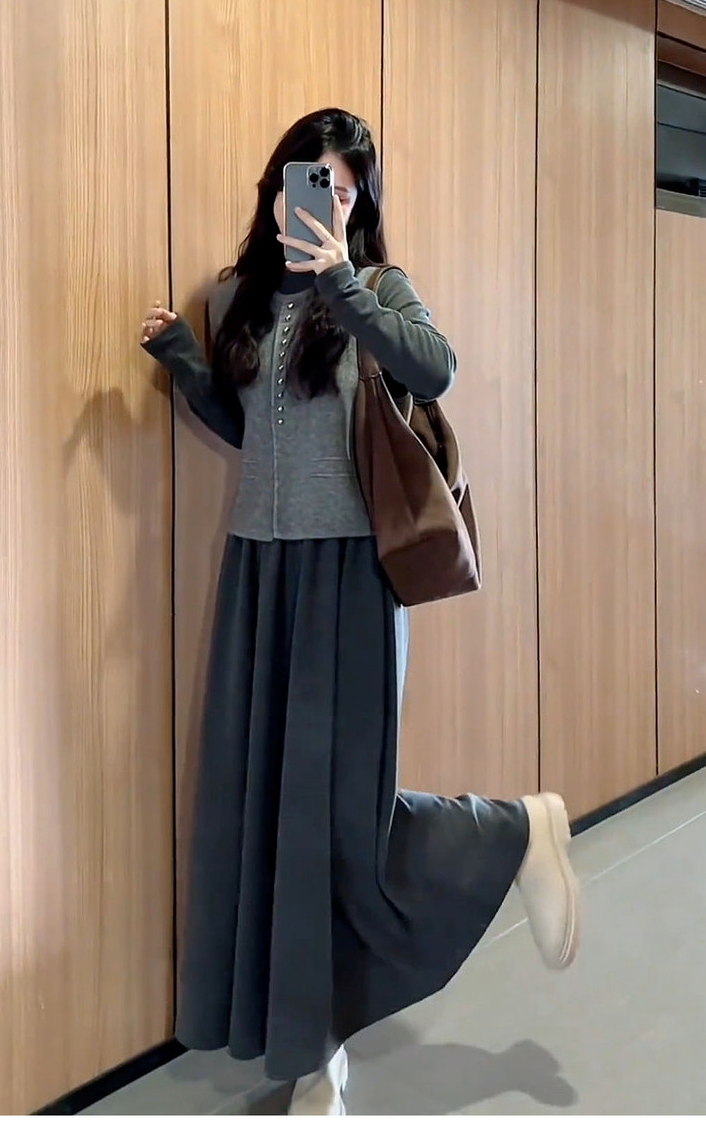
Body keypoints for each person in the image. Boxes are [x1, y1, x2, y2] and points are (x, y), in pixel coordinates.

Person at [140, 108, 580, 1116]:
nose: (324, 201)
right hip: (258, 574)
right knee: (269, 811)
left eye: (342, 190)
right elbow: (246, 429)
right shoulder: (234, 295)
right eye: (310, 182)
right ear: (275, 187)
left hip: (351, 579)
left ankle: (512, 828)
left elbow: (436, 368)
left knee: (343, 820)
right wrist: (185, 359)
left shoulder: (377, 286)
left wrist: (342, 277)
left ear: (359, 204)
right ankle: (314, 1052)